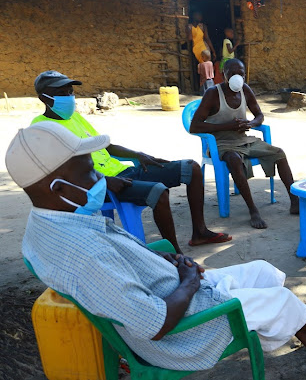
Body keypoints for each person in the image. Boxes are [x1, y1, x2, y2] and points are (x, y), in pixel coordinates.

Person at [7, 121, 306, 373]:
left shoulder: (50, 222)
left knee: (264, 272)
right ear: (58, 187)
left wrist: (154, 258)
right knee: (278, 300)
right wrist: (186, 280)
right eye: (88, 171)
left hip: (171, 292)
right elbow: (153, 324)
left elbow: (114, 269)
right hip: (183, 330)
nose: (99, 177)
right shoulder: (82, 253)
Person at [31, 70, 230, 254]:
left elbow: (106, 146)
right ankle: (176, 254)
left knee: (191, 169)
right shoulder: (42, 128)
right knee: (158, 191)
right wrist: (105, 181)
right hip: (98, 186)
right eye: (61, 93)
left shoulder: (74, 117)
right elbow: (59, 170)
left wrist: (139, 155)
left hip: (121, 172)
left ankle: (200, 233)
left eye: (70, 91)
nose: (69, 96)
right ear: (44, 98)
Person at [190, 58, 300, 229]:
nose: (237, 77)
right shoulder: (213, 94)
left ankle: (295, 202)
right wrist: (228, 126)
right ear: (223, 75)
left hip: (244, 140)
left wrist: (250, 124)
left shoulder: (245, 90)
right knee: (233, 160)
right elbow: (194, 126)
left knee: (279, 153)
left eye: (240, 73)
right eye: (232, 73)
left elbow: (259, 115)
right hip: (221, 143)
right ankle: (253, 210)